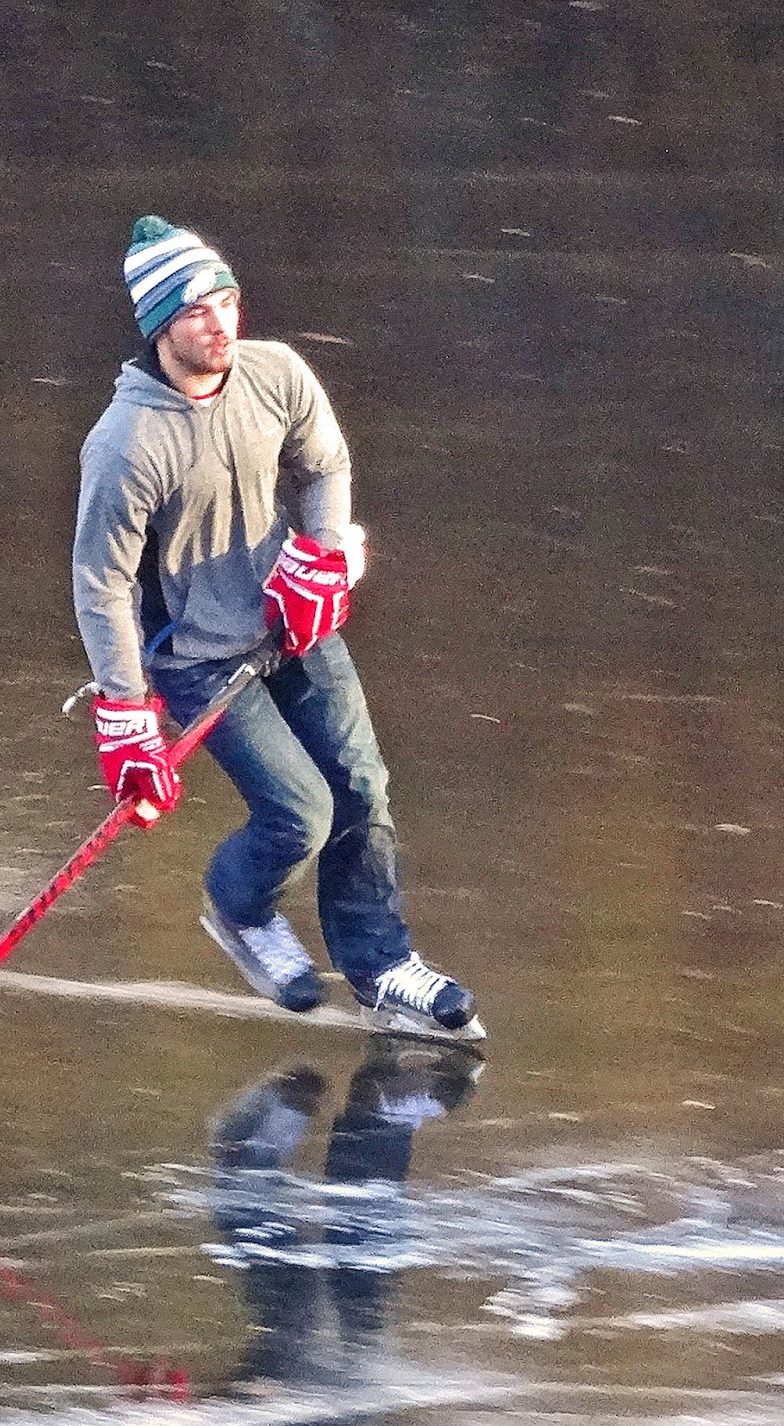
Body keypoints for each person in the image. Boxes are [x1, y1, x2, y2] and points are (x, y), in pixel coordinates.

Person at [72, 215, 480, 1039]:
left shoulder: (276, 374)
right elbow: (102, 583)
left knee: (361, 784)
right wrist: (125, 715)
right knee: (301, 812)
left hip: (290, 623)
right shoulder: (125, 445)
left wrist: (323, 555)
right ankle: (240, 907)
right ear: (159, 328)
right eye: (195, 311)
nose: (220, 321)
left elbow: (325, 463)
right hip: (197, 656)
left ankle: (382, 967)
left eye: (226, 299)